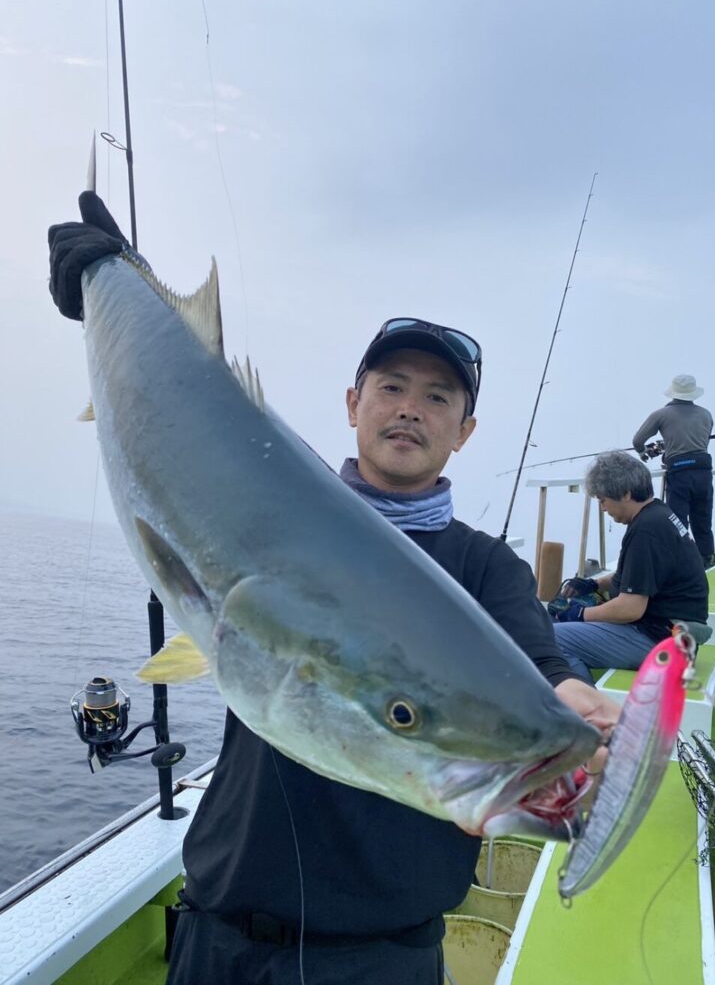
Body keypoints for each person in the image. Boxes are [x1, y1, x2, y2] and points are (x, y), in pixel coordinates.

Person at [48, 193, 619, 985]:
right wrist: (107, 284)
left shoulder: (487, 566)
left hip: (382, 958)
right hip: (218, 932)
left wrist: (565, 696)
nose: (410, 410)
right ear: (353, 405)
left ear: (465, 432)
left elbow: (534, 659)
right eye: (391, 387)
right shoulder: (267, 493)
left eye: (439, 398)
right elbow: (168, 407)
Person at [552, 450, 709, 683]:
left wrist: (580, 614)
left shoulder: (646, 530)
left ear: (625, 494)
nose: (603, 508)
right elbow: (639, 574)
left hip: (660, 639)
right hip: (675, 633)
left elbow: (630, 609)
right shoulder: (658, 514)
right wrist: (593, 584)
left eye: (603, 500)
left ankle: (583, 703)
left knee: (550, 639)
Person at [632, 374, 715, 567]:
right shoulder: (706, 414)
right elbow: (702, 442)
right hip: (703, 471)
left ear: (673, 392)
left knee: (678, 521)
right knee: (703, 519)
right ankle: (706, 560)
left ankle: (681, 561)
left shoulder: (661, 414)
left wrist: (644, 452)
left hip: (680, 473)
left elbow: (637, 441)